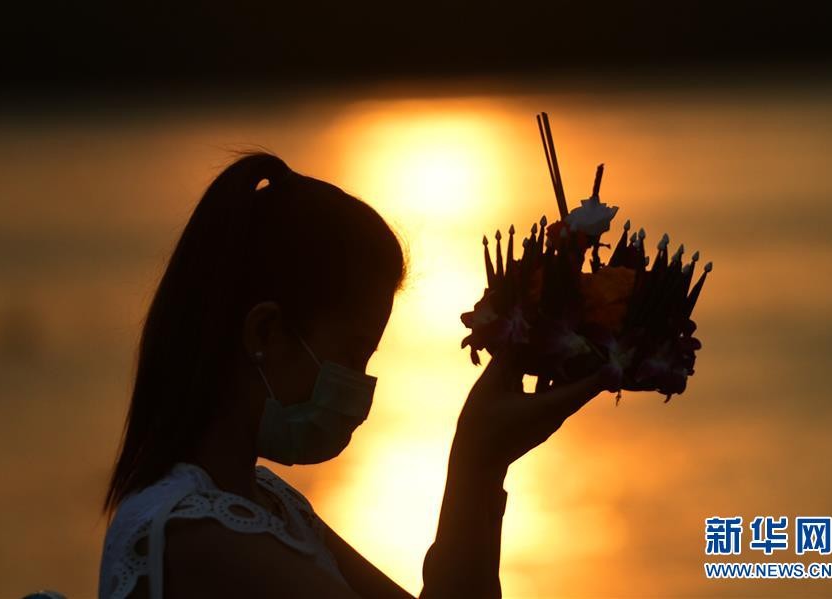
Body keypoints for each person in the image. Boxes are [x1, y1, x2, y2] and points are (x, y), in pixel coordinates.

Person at [98, 152, 616, 599]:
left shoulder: (266, 502)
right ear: (265, 333)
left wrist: (485, 464)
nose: (359, 387)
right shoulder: (198, 535)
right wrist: (474, 458)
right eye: (351, 354)